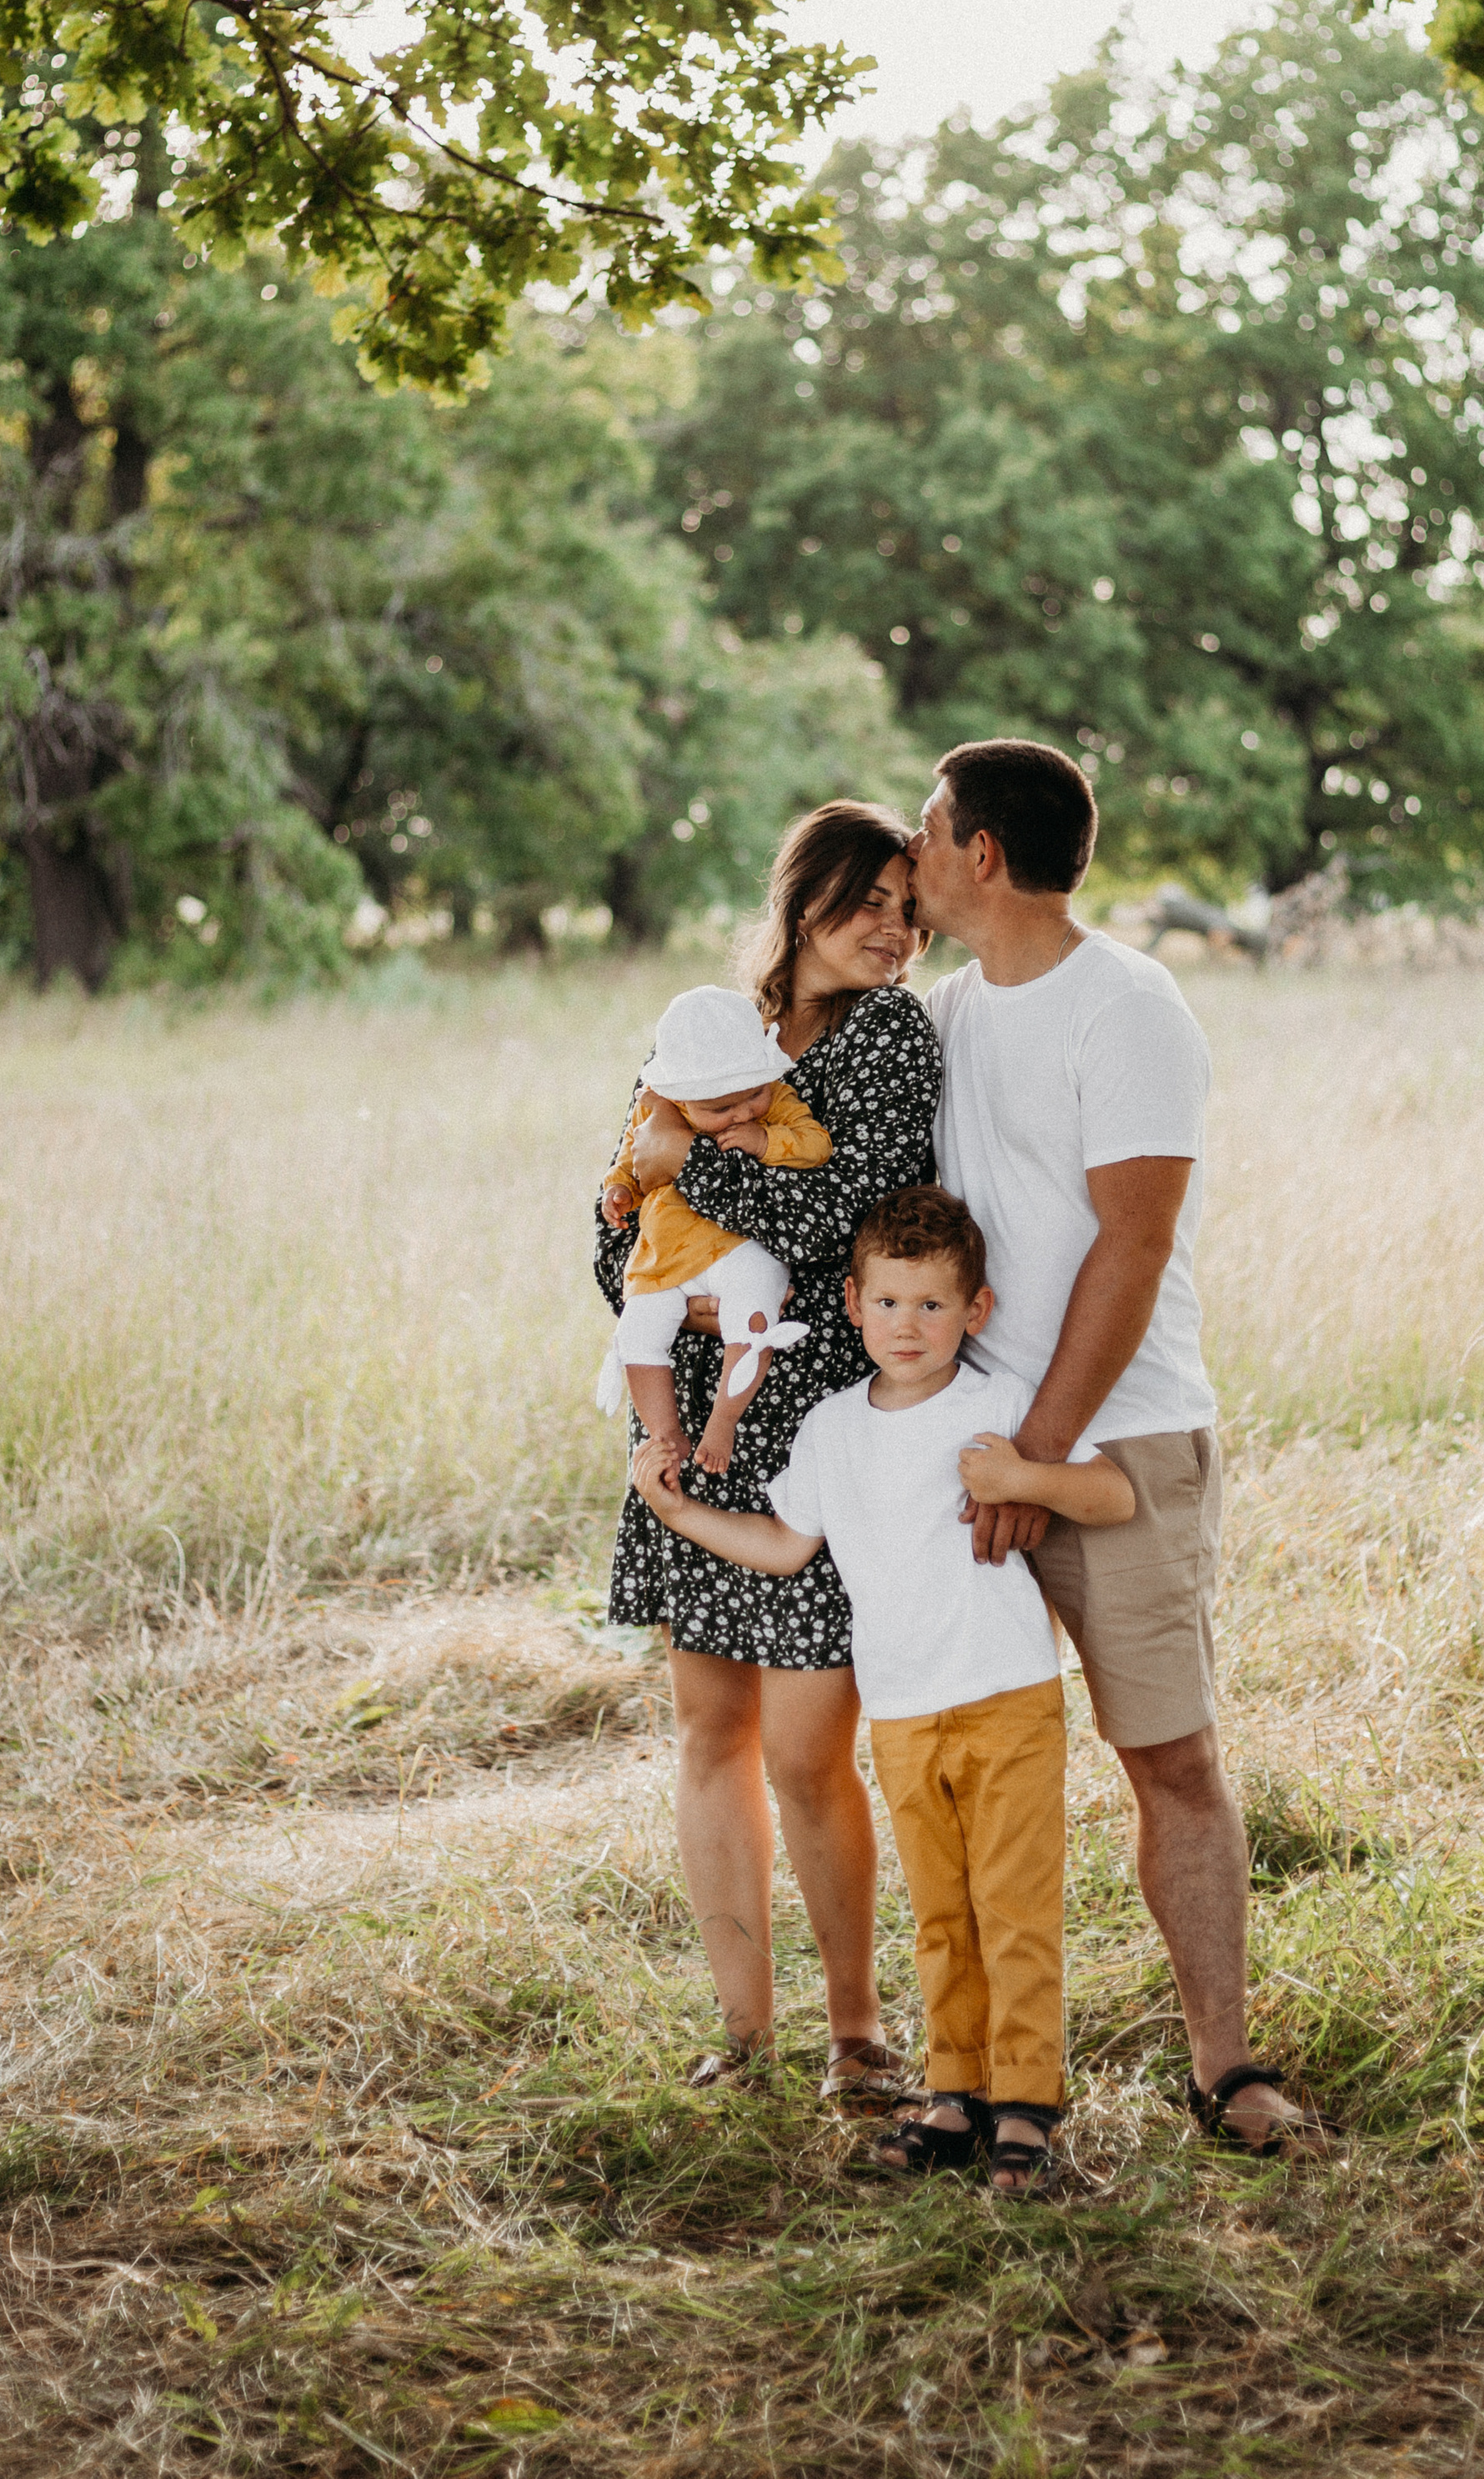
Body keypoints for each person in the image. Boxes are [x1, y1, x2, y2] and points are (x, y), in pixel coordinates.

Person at [908, 737, 1338, 2158]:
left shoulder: (1130, 1007)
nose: (913, 856)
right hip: (982, 1456)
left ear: (981, 851)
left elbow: (1133, 1246)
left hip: (1121, 1446)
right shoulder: (952, 1013)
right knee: (966, 1766)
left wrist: (1034, 1460)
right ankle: (976, 2075)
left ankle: (1226, 2068)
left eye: (927, 829)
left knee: (1169, 1757)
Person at [632, 1183, 1136, 2192]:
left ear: (975, 1312)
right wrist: (675, 1515)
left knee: (1013, 1904)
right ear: (853, 1305)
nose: (910, 1328)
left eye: (934, 1306)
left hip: (1006, 1695)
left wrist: (1023, 1480)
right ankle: (955, 2094)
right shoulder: (830, 1430)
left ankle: (1026, 2106)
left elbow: (1114, 1494)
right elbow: (784, 1546)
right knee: (940, 1910)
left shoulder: (998, 1406)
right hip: (902, 1710)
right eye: (890, 1304)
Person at [598, 802, 939, 2096]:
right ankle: (745, 2035)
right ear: (808, 899)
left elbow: (850, 1216)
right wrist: (672, 1272)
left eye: (913, 911)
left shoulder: (890, 1038)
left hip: (817, 1424)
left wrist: (696, 1168)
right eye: (872, 902)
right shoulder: (705, 1026)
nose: (896, 931)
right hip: (690, 1407)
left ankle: (856, 2033)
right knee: (709, 1731)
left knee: (805, 1747)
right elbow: (615, 1208)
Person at [599, 984, 830, 1478]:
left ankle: (723, 1421)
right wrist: (619, 1191)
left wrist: (765, 1139)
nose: (744, 1111)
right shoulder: (659, 1107)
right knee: (637, 1333)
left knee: (752, 1323)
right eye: (722, 1109)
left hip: (739, 1246)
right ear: (682, 1097)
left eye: (753, 1095)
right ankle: (665, 1432)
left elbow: (816, 1144)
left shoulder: (775, 1102)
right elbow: (631, 1161)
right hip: (667, 1252)